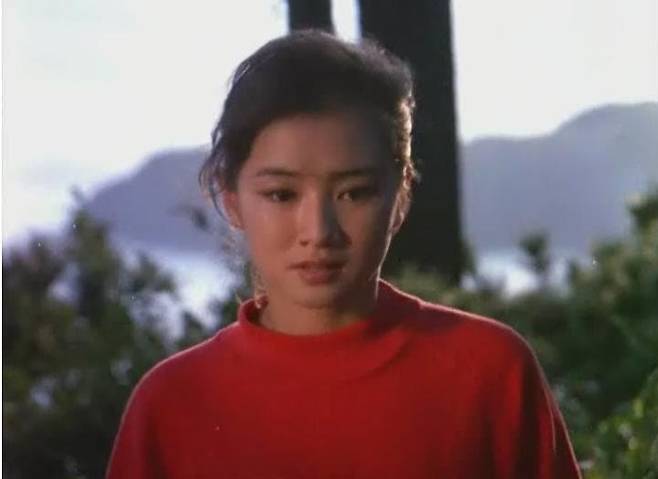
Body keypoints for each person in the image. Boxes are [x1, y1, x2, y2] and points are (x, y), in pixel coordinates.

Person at [106, 30, 582, 478]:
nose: (318, 232)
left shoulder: (490, 371)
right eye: (281, 195)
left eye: (354, 193)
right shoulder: (170, 403)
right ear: (231, 199)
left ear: (400, 196)